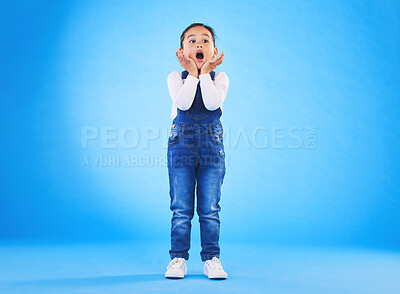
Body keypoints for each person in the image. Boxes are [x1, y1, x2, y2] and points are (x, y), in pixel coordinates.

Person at [165, 23, 229, 280]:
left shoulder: (220, 78)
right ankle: (178, 258)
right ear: (182, 51)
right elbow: (183, 102)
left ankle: (211, 258)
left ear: (214, 51)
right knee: (181, 208)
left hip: (212, 148)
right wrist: (192, 73)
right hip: (181, 146)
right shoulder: (175, 77)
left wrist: (204, 73)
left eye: (205, 40)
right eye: (191, 41)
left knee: (210, 208)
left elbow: (213, 103)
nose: (198, 44)